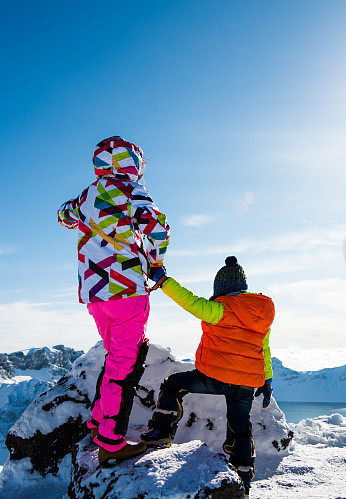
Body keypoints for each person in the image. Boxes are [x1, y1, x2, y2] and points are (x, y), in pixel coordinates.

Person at [58, 136, 170, 464]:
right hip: (127, 291)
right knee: (124, 366)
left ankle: (96, 421)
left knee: (115, 358)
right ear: (131, 163)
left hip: (94, 294)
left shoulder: (86, 195)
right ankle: (110, 441)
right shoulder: (132, 191)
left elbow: (63, 217)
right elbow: (158, 229)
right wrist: (155, 262)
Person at [140, 256, 274, 493]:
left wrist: (163, 280)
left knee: (174, 384)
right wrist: (268, 380)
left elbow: (189, 300)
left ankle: (161, 432)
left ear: (220, 289)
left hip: (215, 377)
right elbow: (264, 347)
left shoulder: (219, 310)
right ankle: (243, 474)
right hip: (245, 383)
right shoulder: (261, 315)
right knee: (240, 427)